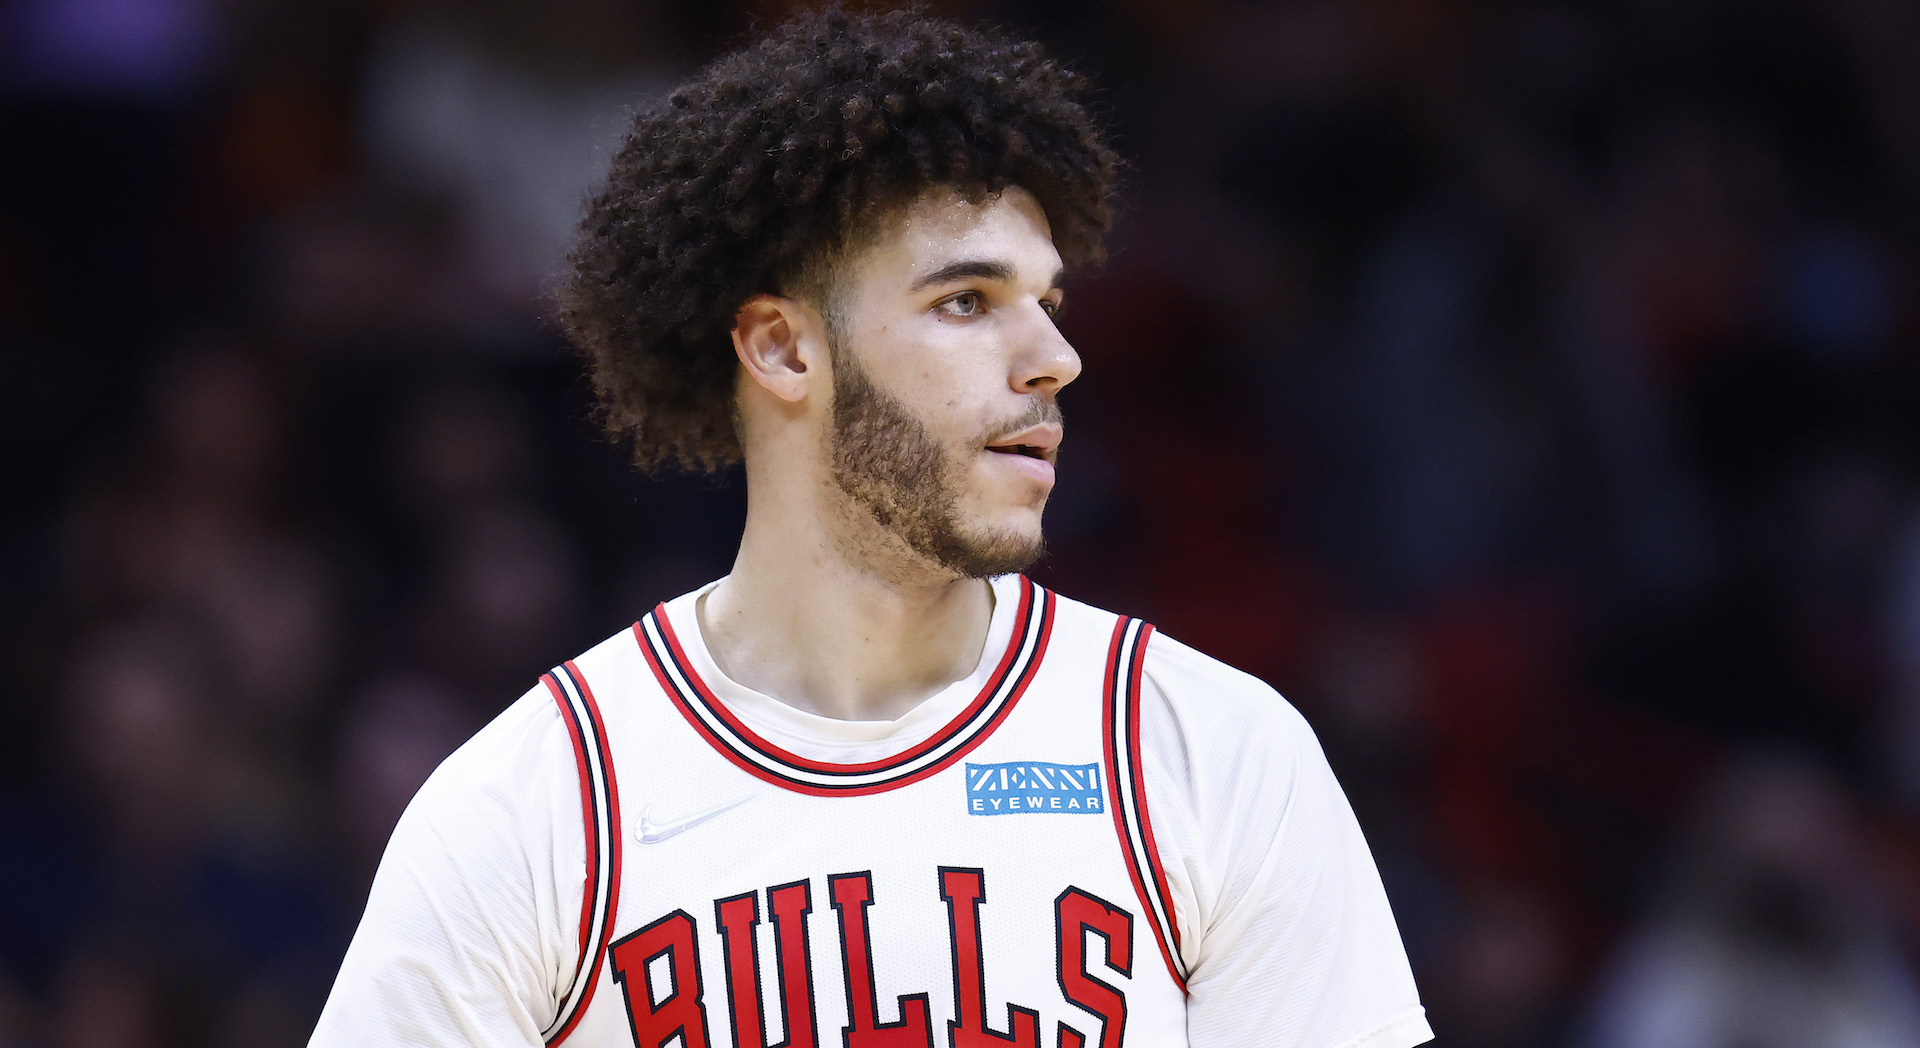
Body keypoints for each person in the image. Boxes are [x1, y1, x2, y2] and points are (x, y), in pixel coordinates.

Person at [311, 10, 1432, 1048]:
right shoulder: (533, 808)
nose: (1054, 358)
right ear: (783, 348)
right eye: (966, 302)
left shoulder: (1208, 751)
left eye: (1048, 303)